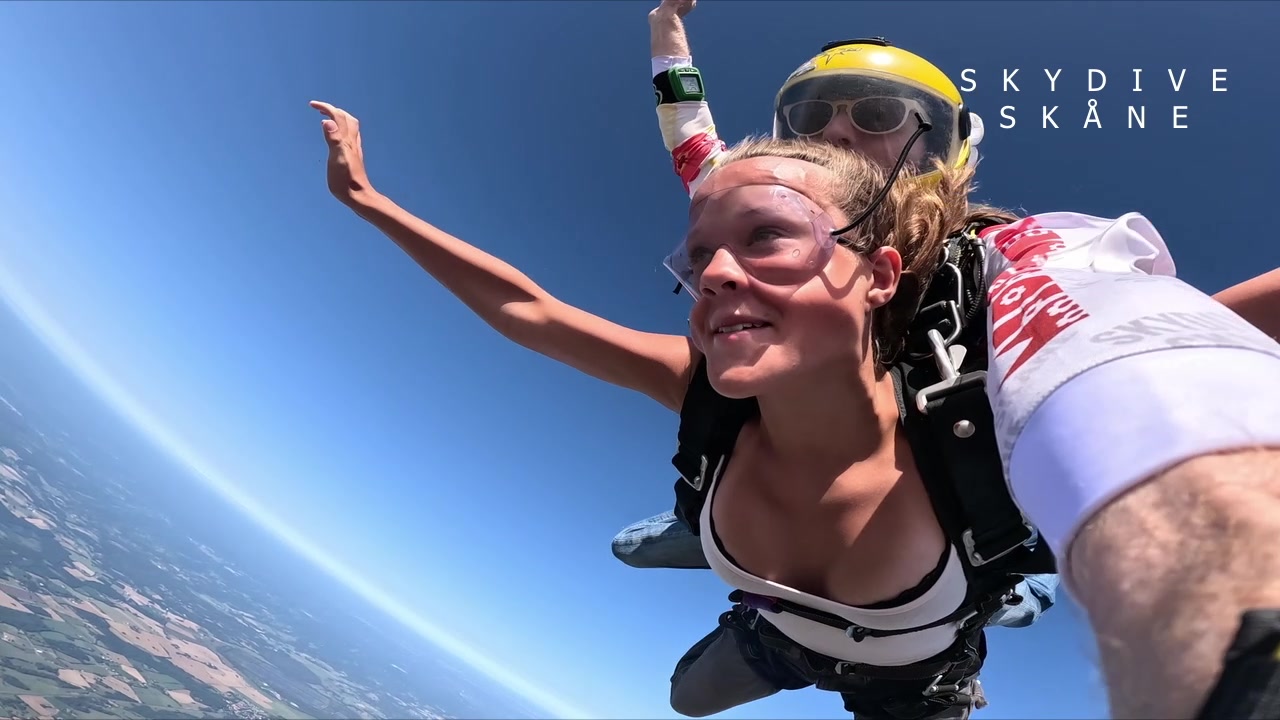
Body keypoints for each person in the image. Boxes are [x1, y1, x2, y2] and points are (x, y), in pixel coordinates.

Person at [309, 98, 1280, 720]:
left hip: (914, 681)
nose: (714, 273)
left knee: (993, 575)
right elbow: (529, 311)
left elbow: (1180, 338)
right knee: (687, 702)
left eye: (767, 237)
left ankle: (1012, 596)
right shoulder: (700, 390)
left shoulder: (977, 419)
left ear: (879, 276)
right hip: (778, 628)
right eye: (698, 255)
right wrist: (367, 200)